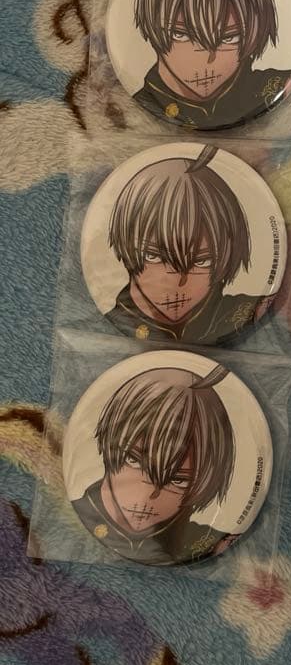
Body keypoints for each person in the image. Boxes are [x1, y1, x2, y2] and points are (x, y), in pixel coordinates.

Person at [132, 0, 291, 129]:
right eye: (180, 34)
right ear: (151, 22)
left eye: (229, 38)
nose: (207, 59)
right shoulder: (137, 107)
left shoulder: (281, 85)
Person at [71, 366, 237, 564]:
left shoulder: (209, 540)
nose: (149, 492)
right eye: (133, 460)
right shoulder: (68, 516)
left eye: (178, 480)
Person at [106, 144, 267, 344]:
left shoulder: (245, 310)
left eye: (202, 261)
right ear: (125, 244)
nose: (176, 282)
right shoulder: (107, 324)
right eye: (153, 256)